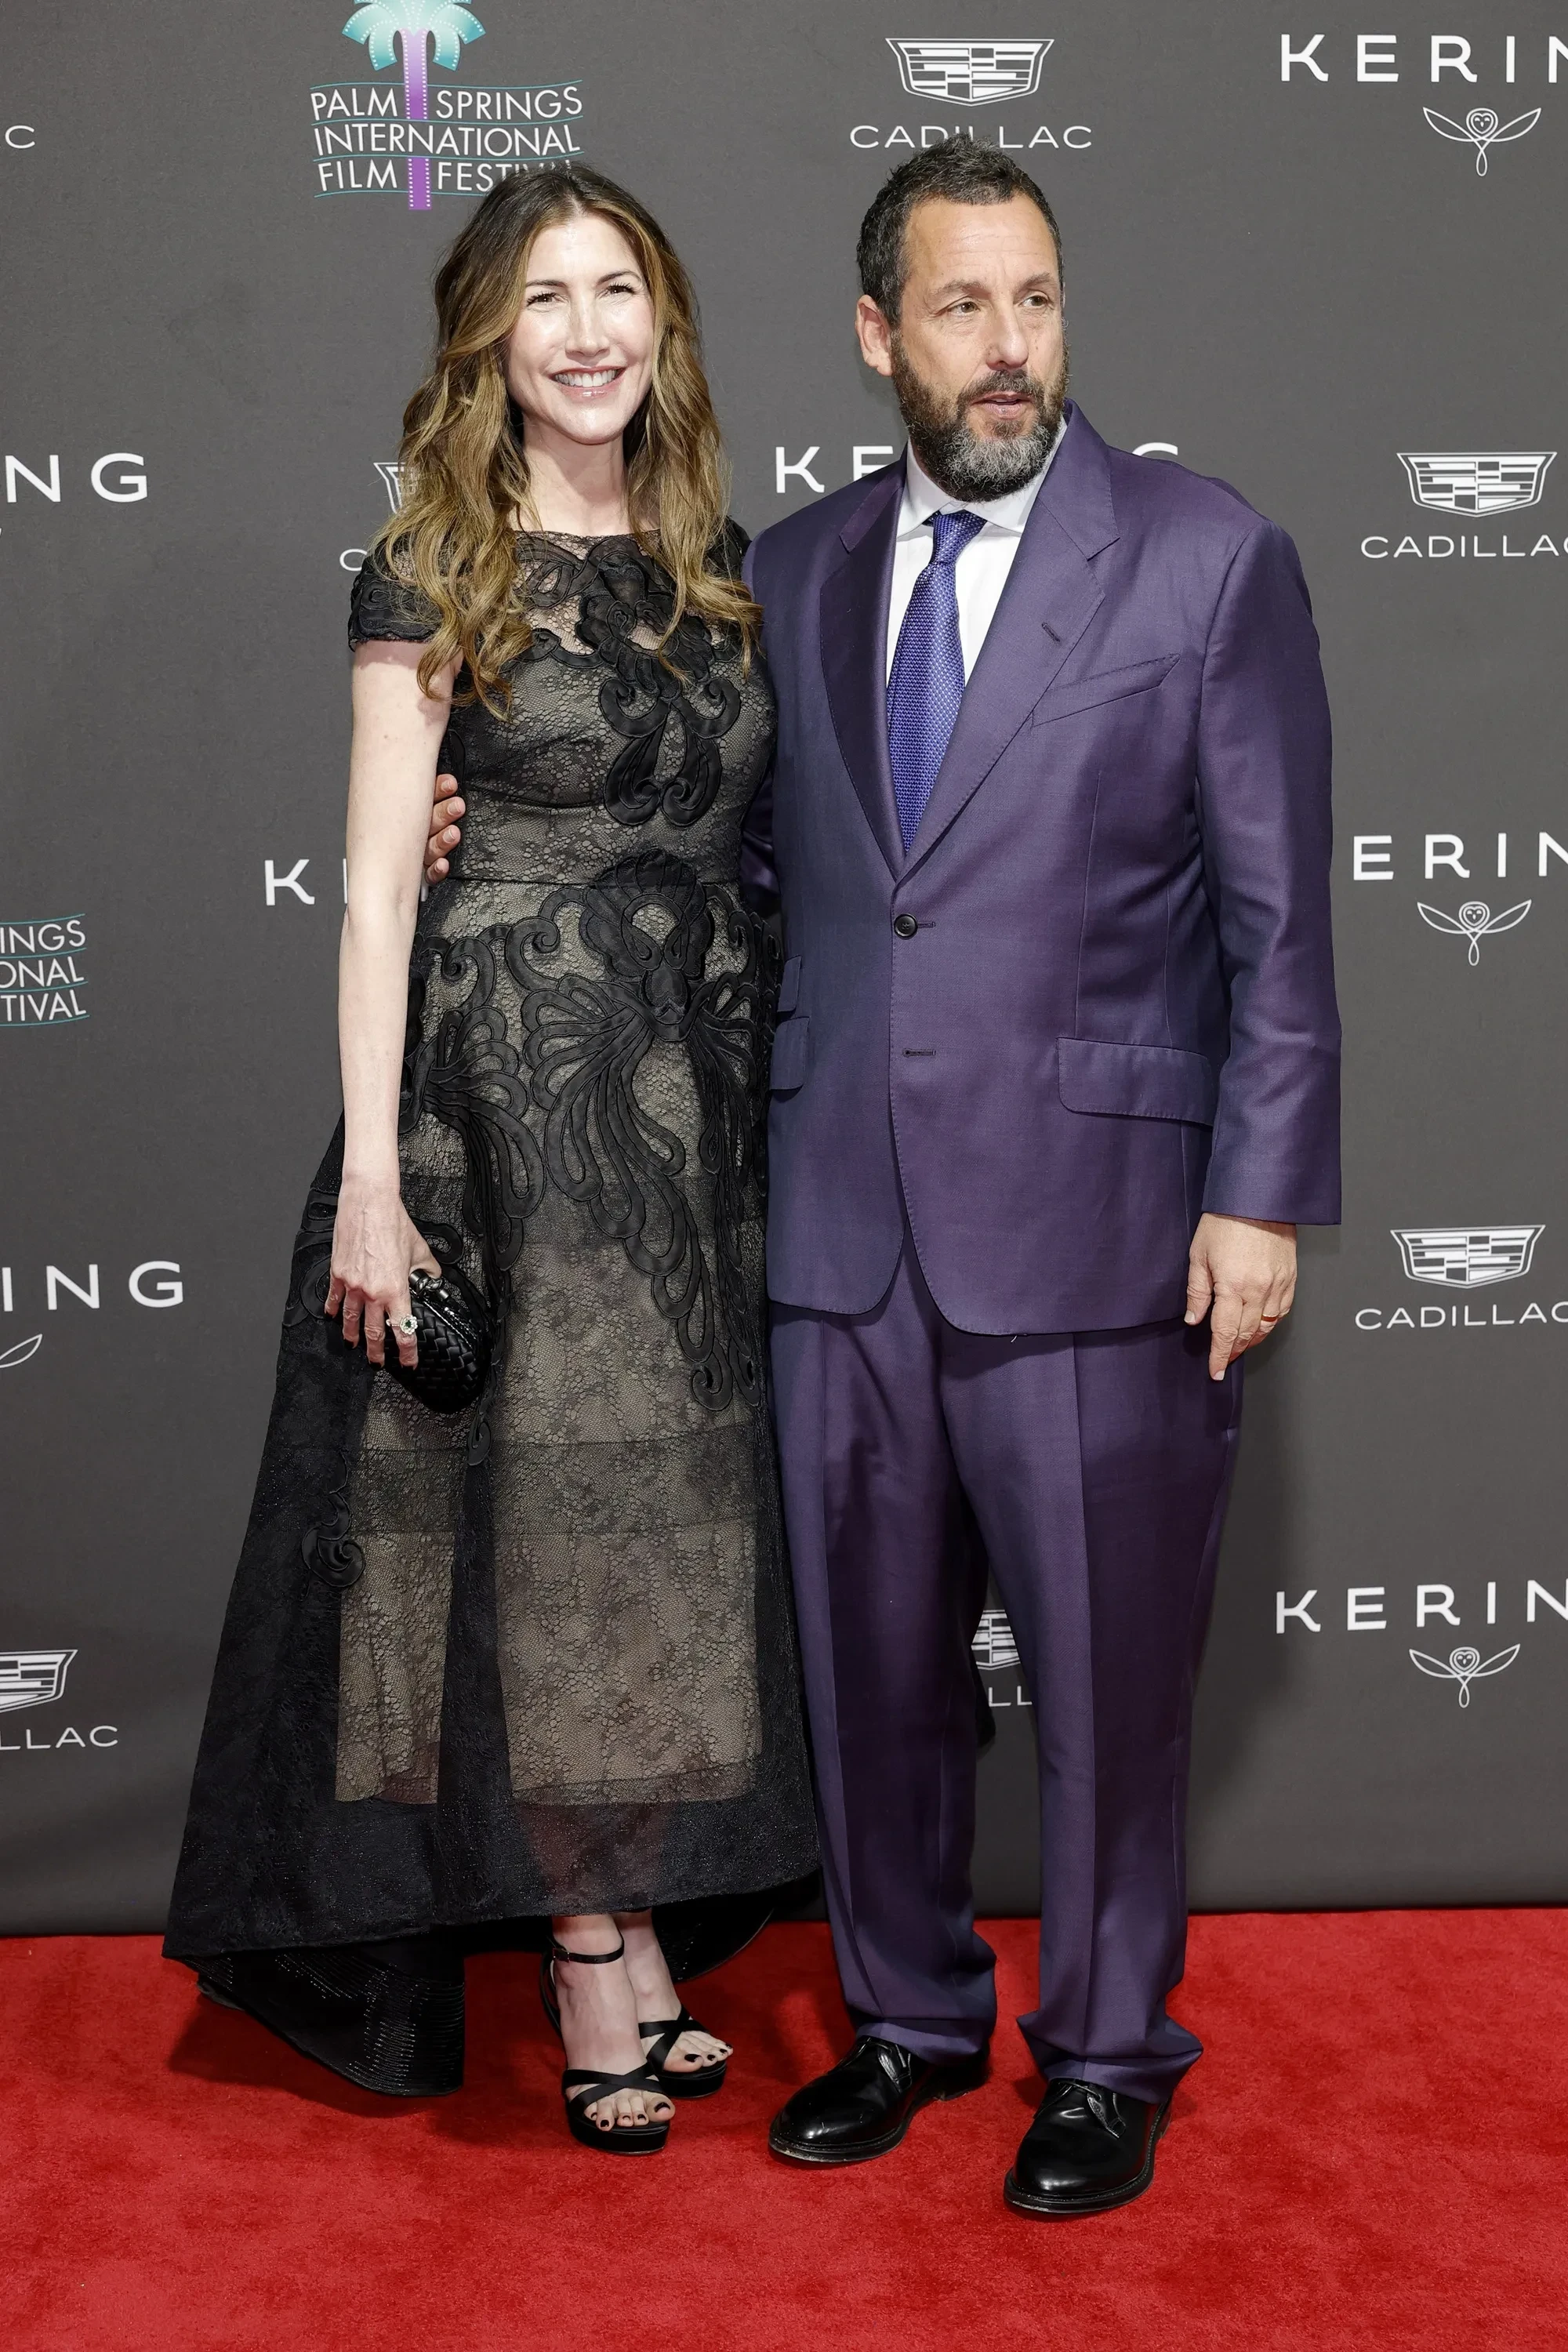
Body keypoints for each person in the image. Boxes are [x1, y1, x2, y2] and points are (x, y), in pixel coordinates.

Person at [433, 137, 1341, 2215]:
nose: (1007, 347)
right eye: (959, 307)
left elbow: (1282, 924)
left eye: (1034, 300)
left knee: (1108, 1689)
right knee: (870, 1679)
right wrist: (473, 830)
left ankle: (1105, 2053)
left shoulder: (1205, 557)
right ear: (877, 334)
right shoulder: (803, 568)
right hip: (834, 1224)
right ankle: (910, 2019)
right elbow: (734, 863)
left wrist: (1258, 1195)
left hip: (1104, 1234)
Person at [165, 163, 816, 2150]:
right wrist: (375, 1181)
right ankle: (589, 1945)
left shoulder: (720, 566)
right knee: (535, 1533)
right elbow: (378, 890)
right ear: (487, 338)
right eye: (545, 297)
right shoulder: (432, 569)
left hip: (696, 1128)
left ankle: (637, 1908)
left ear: (664, 321)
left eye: (618, 289)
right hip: (506, 1116)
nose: (588, 331)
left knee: (670, 1528)